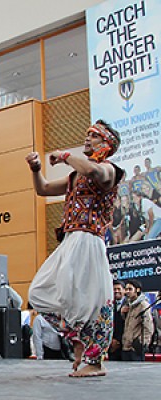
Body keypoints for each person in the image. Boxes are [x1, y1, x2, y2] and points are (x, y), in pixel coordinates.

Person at [26, 120, 124, 377]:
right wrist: (36, 169)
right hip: (71, 240)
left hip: (89, 239)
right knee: (38, 292)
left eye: (94, 136)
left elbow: (95, 173)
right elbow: (43, 189)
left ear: (107, 144)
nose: (88, 138)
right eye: (87, 134)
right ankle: (77, 337)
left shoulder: (110, 170)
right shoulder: (74, 176)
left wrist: (67, 155)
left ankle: (96, 361)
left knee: (91, 301)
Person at [121, 279, 154, 361]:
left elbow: (149, 327)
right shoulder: (129, 304)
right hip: (126, 347)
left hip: (135, 348)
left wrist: (142, 344)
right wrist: (123, 313)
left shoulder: (143, 305)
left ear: (137, 290)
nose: (127, 292)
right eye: (126, 289)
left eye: (130, 289)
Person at [109, 280, 126, 361]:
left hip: (125, 344)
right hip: (112, 344)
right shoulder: (109, 305)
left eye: (119, 289)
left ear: (124, 290)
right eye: (114, 289)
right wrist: (112, 340)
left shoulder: (130, 304)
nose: (116, 291)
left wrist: (119, 340)